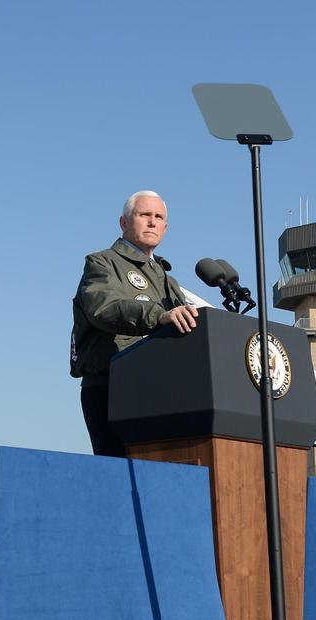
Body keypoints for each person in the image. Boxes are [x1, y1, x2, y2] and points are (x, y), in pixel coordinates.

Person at [70, 190, 198, 458]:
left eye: (159, 217)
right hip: (111, 386)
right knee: (120, 474)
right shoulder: (102, 263)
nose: (152, 222)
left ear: (165, 227)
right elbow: (103, 308)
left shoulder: (167, 280)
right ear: (124, 223)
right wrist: (159, 315)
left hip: (160, 392)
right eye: (144, 215)